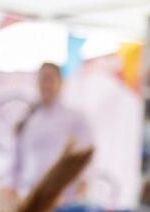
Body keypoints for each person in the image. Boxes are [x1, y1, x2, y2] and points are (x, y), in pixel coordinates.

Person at [12, 63, 92, 200]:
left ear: (60, 83)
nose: (46, 84)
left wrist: (84, 182)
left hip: (65, 197)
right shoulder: (28, 120)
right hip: (32, 196)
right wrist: (12, 187)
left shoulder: (75, 117)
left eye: (50, 79)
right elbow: (16, 163)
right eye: (43, 79)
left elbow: (86, 153)